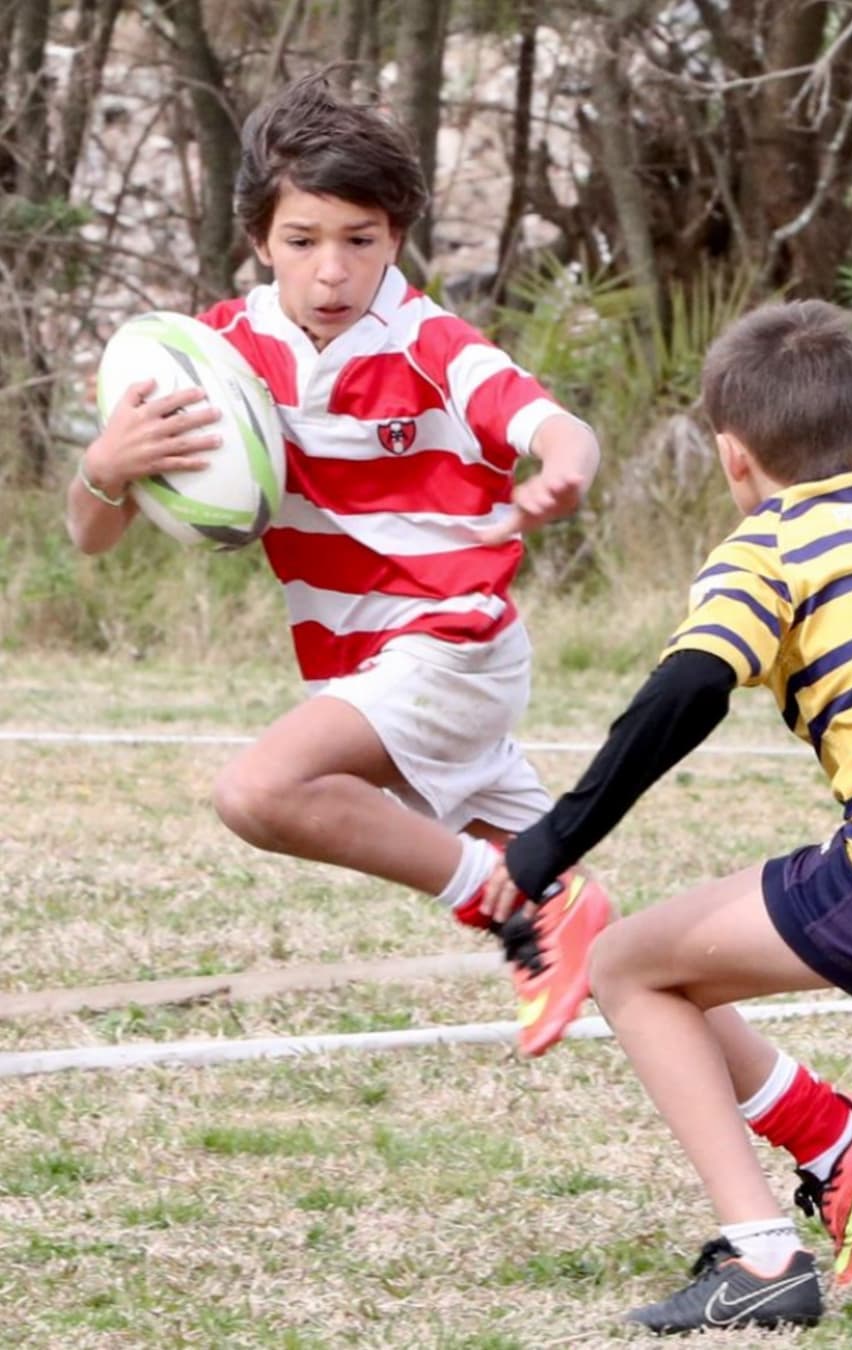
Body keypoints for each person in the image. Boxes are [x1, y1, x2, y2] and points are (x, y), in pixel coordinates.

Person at [482, 298, 852, 1333]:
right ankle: (840, 1152)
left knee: (630, 963)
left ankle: (762, 1261)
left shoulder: (761, 552)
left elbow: (685, 691)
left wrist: (551, 843)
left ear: (730, 456)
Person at [64, 72, 612, 1058]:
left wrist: (562, 472)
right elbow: (92, 538)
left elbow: (555, 425)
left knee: (258, 792)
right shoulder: (217, 359)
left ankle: (510, 906)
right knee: (623, 965)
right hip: (361, 672)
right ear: (258, 241)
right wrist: (106, 467)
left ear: (395, 236)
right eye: (303, 241)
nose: (331, 270)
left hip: (451, 649)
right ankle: (829, 1128)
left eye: (360, 240)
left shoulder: (433, 345)